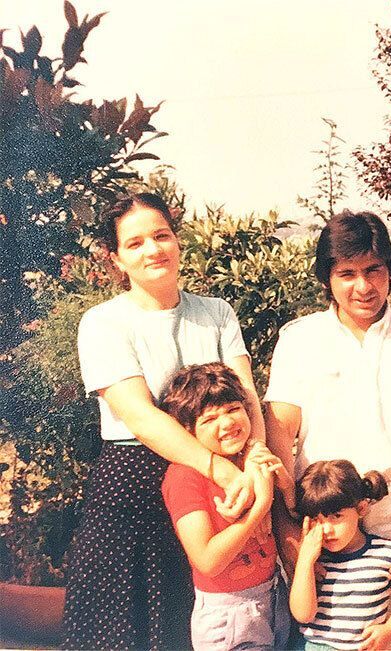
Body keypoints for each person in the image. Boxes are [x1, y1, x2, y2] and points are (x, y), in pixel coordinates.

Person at [65, 193, 270, 650]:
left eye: (161, 236)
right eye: (134, 243)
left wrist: (254, 459)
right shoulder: (103, 322)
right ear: (116, 258)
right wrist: (222, 469)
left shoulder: (216, 312)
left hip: (223, 485)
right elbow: (138, 415)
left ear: (178, 241)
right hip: (136, 486)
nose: (152, 250)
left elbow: (246, 393)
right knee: (131, 627)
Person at [265, 210, 391, 650]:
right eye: (346, 273)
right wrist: (289, 526)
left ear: (390, 268)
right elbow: (279, 432)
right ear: (327, 278)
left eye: (374, 270)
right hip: (326, 527)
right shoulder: (300, 339)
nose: (363, 286)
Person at [159, 362, 291, 650]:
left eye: (233, 410)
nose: (228, 423)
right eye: (209, 420)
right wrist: (259, 508)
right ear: (188, 430)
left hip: (273, 595)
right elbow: (207, 560)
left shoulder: (249, 461)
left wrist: (284, 485)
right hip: (229, 616)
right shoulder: (184, 477)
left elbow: (289, 511)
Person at [290, 460, 391, 651]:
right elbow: (303, 615)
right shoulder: (315, 560)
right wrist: (305, 561)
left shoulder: (386, 553)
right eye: (316, 519)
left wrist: (388, 630)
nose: (326, 529)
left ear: (361, 509)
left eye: (336, 516)